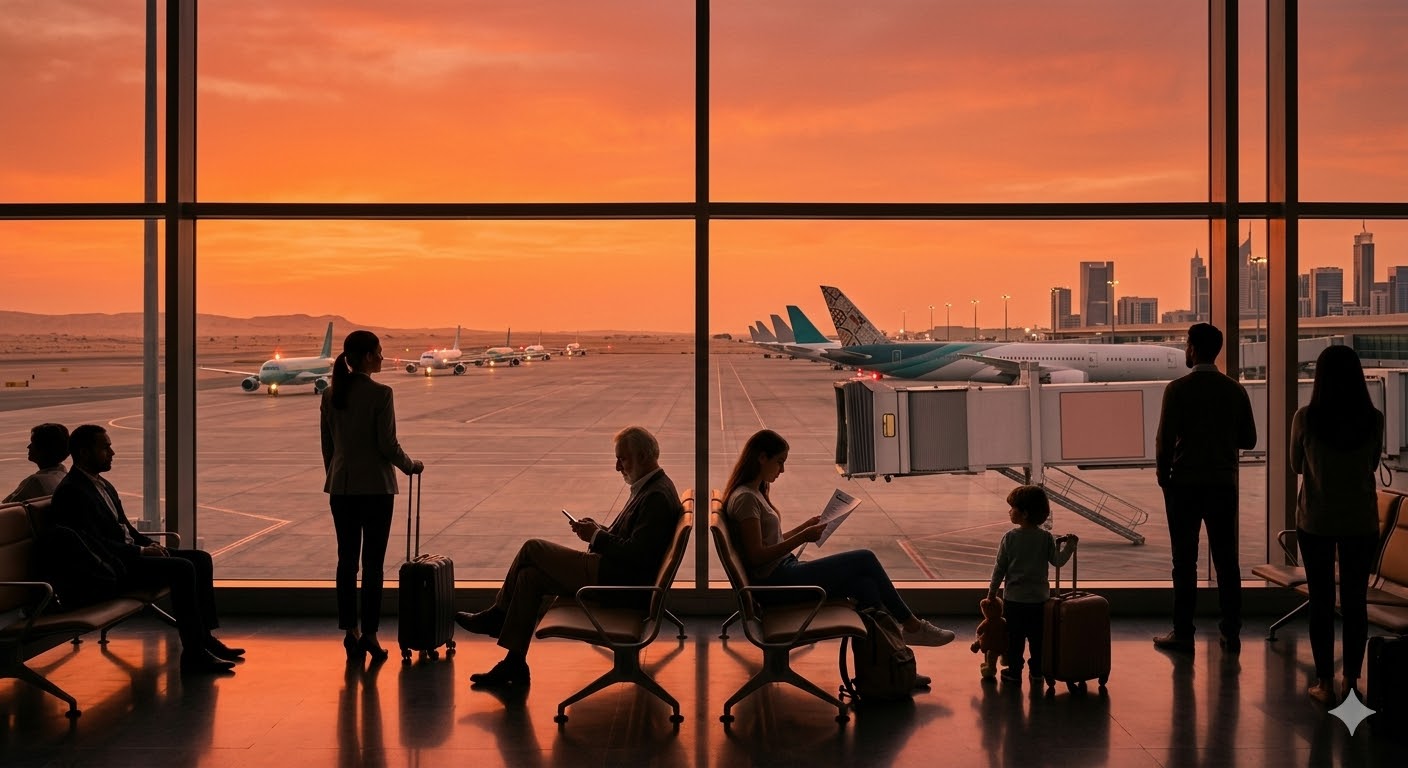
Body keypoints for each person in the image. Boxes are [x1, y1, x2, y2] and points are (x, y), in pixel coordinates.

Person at [455, 426, 684, 687]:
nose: (617, 466)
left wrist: (596, 537)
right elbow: (634, 543)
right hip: (614, 575)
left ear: (643, 456)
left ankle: (497, 616)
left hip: (617, 584)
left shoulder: (655, 497)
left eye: (623, 458)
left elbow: (636, 555)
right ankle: (514, 663)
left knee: (533, 548)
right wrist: (598, 529)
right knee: (530, 577)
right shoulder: (653, 487)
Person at [722, 429, 957, 654]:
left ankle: (893, 661)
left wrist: (805, 527)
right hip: (778, 584)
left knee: (865, 586)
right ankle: (913, 627)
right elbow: (757, 556)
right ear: (762, 458)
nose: (782, 470)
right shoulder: (745, 499)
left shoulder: (752, 494)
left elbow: (768, 542)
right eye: (780, 461)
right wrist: (803, 537)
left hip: (783, 575)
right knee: (865, 558)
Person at [50, 424, 243, 674]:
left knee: (201, 558)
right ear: (85, 453)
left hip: (127, 557)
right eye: (105, 447)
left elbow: (125, 529)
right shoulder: (72, 492)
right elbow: (93, 543)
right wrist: (140, 553)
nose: (112, 452)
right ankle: (194, 653)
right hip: (112, 567)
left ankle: (204, 638)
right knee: (183, 568)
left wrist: (148, 544)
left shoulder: (102, 485)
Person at [1153, 323, 1256, 653]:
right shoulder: (1235, 390)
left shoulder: (1178, 389)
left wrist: (1163, 476)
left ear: (1193, 348)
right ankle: (1231, 631)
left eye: (1186, 344)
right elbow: (1249, 439)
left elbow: (1164, 440)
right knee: (1227, 561)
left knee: (1184, 562)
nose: (1185, 349)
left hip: (1184, 484)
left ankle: (1183, 632)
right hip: (1222, 484)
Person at [322, 329, 423, 665]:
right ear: (366, 357)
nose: (381, 357)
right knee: (373, 566)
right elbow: (387, 445)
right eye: (378, 352)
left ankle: (349, 632)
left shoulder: (331, 394)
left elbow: (329, 447)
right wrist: (411, 466)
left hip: (341, 488)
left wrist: (335, 476)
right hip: (376, 490)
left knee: (346, 562)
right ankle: (370, 634)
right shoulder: (382, 394)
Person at [1291, 345, 1384, 705]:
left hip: (1316, 520)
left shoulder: (1306, 418)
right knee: (1355, 602)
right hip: (1361, 520)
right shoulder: (1373, 419)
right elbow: (1373, 462)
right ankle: (1351, 682)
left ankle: (1325, 683)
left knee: (1321, 601)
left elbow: (1296, 466)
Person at [985, 485, 1076, 683]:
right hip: (1039, 600)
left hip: (1014, 600)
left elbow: (999, 569)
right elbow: (1058, 561)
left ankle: (1014, 672)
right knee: (1037, 639)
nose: (1009, 511)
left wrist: (991, 594)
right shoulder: (1045, 538)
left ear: (1024, 513)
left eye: (1012, 508)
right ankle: (1037, 672)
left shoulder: (1009, 538)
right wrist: (1070, 547)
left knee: (1015, 640)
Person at [4, 423, 69, 502]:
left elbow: (7, 507)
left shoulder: (36, 482)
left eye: (33, 443)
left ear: (43, 449)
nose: (28, 446)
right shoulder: (63, 476)